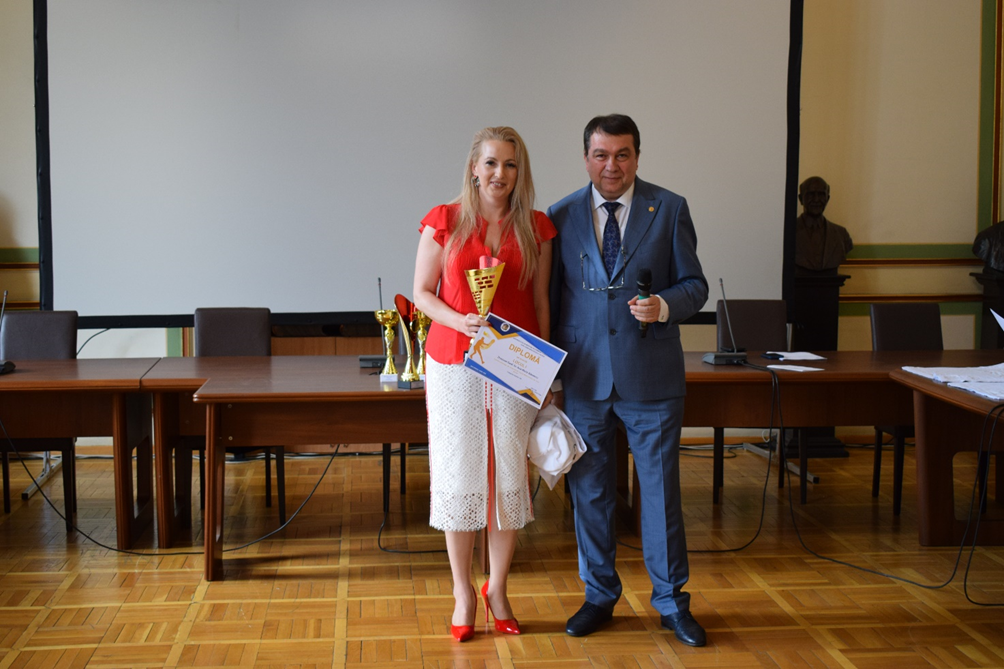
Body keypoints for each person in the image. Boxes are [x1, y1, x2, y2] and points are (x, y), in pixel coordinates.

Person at [547, 114, 709, 646]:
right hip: (584, 376)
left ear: (637, 156)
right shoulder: (560, 215)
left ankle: (672, 603)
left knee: (659, 495)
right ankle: (598, 596)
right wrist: (550, 378)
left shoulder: (670, 207)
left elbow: (695, 285)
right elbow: (552, 301)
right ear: (586, 157)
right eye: (600, 154)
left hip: (652, 377)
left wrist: (664, 305)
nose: (611, 165)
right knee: (590, 493)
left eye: (622, 154)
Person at [413, 126, 555, 642]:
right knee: (460, 474)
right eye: (491, 163)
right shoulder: (444, 220)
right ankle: (462, 592)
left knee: (506, 477)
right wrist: (460, 321)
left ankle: (497, 588)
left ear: (520, 171)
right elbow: (421, 293)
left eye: (510, 164)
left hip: (515, 365)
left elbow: (540, 303)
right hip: (454, 363)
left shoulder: (537, 228)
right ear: (474, 167)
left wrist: (546, 375)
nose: (500, 173)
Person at [795, 176, 853, 273]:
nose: (816, 199)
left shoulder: (841, 234)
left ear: (827, 198)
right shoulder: (788, 232)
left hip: (830, 281)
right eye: (811, 194)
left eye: (821, 194)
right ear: (801, 199)